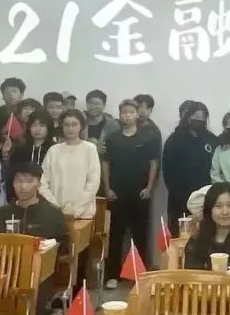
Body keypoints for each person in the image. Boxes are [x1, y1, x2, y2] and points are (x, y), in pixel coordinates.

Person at [0, 163, 70, 315]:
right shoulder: (1, 213)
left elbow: (63, 246)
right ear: (12, 183)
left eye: (29, 181)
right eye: (19, 181)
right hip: (6, 271)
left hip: (39, 272)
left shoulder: (52, 214)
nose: (23, 186)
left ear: (39, 184)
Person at [103, 99, 160, 288]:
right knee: (115, 235)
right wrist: (107, 188)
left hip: (140, 193)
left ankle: (139, 274)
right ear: (120, 115)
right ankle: (112, 275)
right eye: (124, 112)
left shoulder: (148, 137)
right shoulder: (113, 138)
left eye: (131, 112)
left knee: (140, 235)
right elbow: (106, 164)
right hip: (117, 193)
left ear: (137, 114)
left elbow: (154, 163)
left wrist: (149, 188)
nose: (127, 115)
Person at [162, 101, 216, 233]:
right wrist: (175, 191)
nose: (199, 120)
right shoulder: (174, 139)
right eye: (195, 116)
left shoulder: (212, 140)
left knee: (205, 232)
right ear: (188, 117)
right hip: (179, 198)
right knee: (179, 233)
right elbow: (167, 170)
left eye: (202, 117)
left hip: (205, 196)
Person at [39, 109, 100, 219]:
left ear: (81, 126)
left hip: (83, 214)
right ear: (61, 126)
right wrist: (56, 207)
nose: (70, 128)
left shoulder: (90, 149)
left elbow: (93, 183)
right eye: (66, 125)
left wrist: (76, 209)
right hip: (56, 212)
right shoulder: (53, 150)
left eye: (74, 124)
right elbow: (43, 183)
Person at [82, 89, 119, 160]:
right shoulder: (80, 122)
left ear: (104, 105)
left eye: (96, 104)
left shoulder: (112, 125)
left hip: (104, 163)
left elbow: (116, 148)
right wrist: (91, 146)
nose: (92, 107)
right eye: (90, 103)